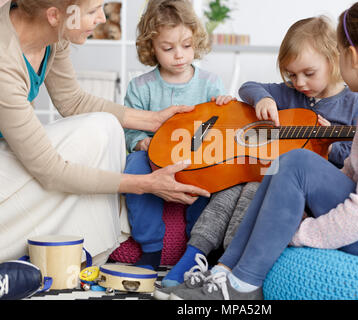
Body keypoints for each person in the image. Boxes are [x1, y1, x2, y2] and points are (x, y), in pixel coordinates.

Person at [162, 0, 358, 300]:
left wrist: (300, 234)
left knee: (298, 162)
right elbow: (351, 172)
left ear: (351, 56)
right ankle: (226, 269)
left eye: (338, 51)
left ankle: (243, 285)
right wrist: (297, 200)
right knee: (283, 163)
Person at [157, 16, 358, 291]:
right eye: (291, 75)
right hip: (261, 168)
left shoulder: (355, 103)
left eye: (308, 73)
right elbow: (249, 87)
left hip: (293, 189)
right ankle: (193, 254)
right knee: (229, 190)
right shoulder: (290, 93)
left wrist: (329, 145)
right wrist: (264, 99)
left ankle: (229, 264)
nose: (299, 82)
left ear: (333, 59)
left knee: (253, 192)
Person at [0, 0, 210, 264]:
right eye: (92, 11)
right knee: (92, 142)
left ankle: (88, 249)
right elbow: (52, 172)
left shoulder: (53, 33)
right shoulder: (3, 62)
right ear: (54, 15)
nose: (102, 18)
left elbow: (72, 102)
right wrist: (145, 185)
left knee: (106, 125)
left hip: (8, 153)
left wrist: (155, 120)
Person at [123, 0, 234, 270]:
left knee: (219, 176)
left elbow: (221, 128)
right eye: (168, 48)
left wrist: (224, 106)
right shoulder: (141, 86)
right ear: (151, 47)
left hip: (198, 159)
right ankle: (151, 247)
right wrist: (141, 142)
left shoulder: (210, 82)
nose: (179, 55)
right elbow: (129, 128)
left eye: (186, 45)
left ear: (196, 40)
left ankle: (199, 245)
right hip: (154, 158)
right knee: (133, 168)